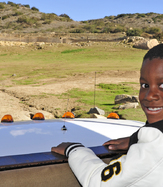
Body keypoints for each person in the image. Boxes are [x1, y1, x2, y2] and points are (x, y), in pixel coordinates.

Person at [51, 43, 163, 186]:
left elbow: (98, 182)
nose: (149, 96)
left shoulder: (155, 147)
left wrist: (74, 150)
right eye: (144, 85)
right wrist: (136, 138)